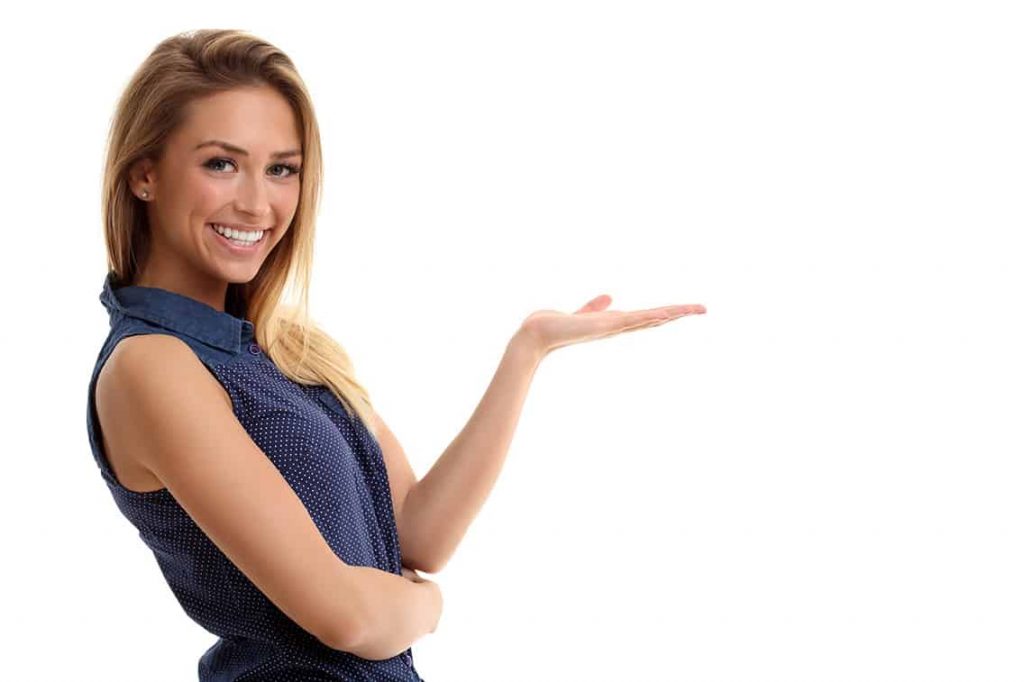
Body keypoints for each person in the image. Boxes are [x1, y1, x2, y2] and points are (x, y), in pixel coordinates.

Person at [85, 28, 706, 682]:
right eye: (220, 163)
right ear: (145, 174)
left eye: (282, 169)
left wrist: (527, 352)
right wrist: (427, 605)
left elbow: (417, 533)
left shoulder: (283, 349)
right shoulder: (150, 366)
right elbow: (348, 618)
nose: (257, 202)